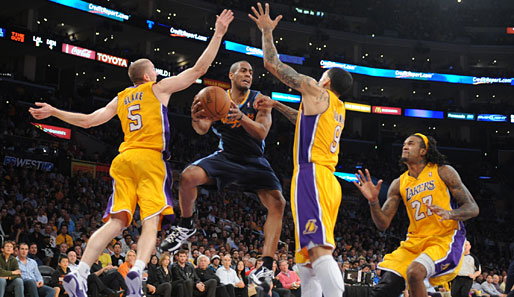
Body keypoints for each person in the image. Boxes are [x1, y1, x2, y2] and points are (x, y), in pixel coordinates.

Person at [29, 8, 234, 297]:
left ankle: (80, 271)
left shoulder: (121, 97)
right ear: (149, 74)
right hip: (150, 159)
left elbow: (88, 120)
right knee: (151, 222)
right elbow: (199, 70)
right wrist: (219, 33)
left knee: (116, 221)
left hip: (123, 159)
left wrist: (53, 112)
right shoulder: (158, 88)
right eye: (155, 71)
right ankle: (138, 268)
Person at [250, 3, 353, 296]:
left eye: (322, 75)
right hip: (326, 180)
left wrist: (267, 32)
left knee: (318, 251)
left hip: (312, 175)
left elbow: (272, 64)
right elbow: (300, 119)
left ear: (327, 81)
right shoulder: (337, 107)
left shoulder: (317, 91)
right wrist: (275, 104)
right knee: (305, 262)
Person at [161, 58, 286, 287]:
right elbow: (202, 129)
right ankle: (186, 226)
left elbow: (261, 133)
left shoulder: (259, 100)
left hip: (254, 160)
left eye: (250, 72)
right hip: (227, 156)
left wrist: (241, 116)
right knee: (188, 176)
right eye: (243, 71)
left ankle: (266, 267)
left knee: (278, 203)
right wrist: (196, 118)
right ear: (231, 75)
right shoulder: (216, 98)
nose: (248, 74)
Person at [353, 134, 480, 297]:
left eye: (411, 144)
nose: (405, 147)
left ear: (423, 151)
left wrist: (450, 213)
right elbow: (382, 223)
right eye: (404, 144)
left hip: (445, 239)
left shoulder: (443, 171)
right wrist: (373, 201)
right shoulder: (399, 183)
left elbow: (472, 208)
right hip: (414, 242)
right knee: (386, 287)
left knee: (414, 272)